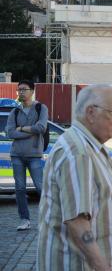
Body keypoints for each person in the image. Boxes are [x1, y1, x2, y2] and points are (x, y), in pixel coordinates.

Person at [37, 84, 112, 271]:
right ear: (91, 113)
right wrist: (103, 267)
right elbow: (77, 223)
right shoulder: (79, 152)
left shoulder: (88, 147)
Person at [5, 79, 48, 231]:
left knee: (40, 187)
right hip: (16, 155)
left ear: (32, 91)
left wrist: (21, 128)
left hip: (34, 154)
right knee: (20, 188)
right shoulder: (14, 111)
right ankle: (25, 219)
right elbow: (9, 132)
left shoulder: (41, 108)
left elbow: (41, 127)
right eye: (19, 90)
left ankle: (49, 218)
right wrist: (29, 132)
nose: (21, 92)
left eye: (24, 89)